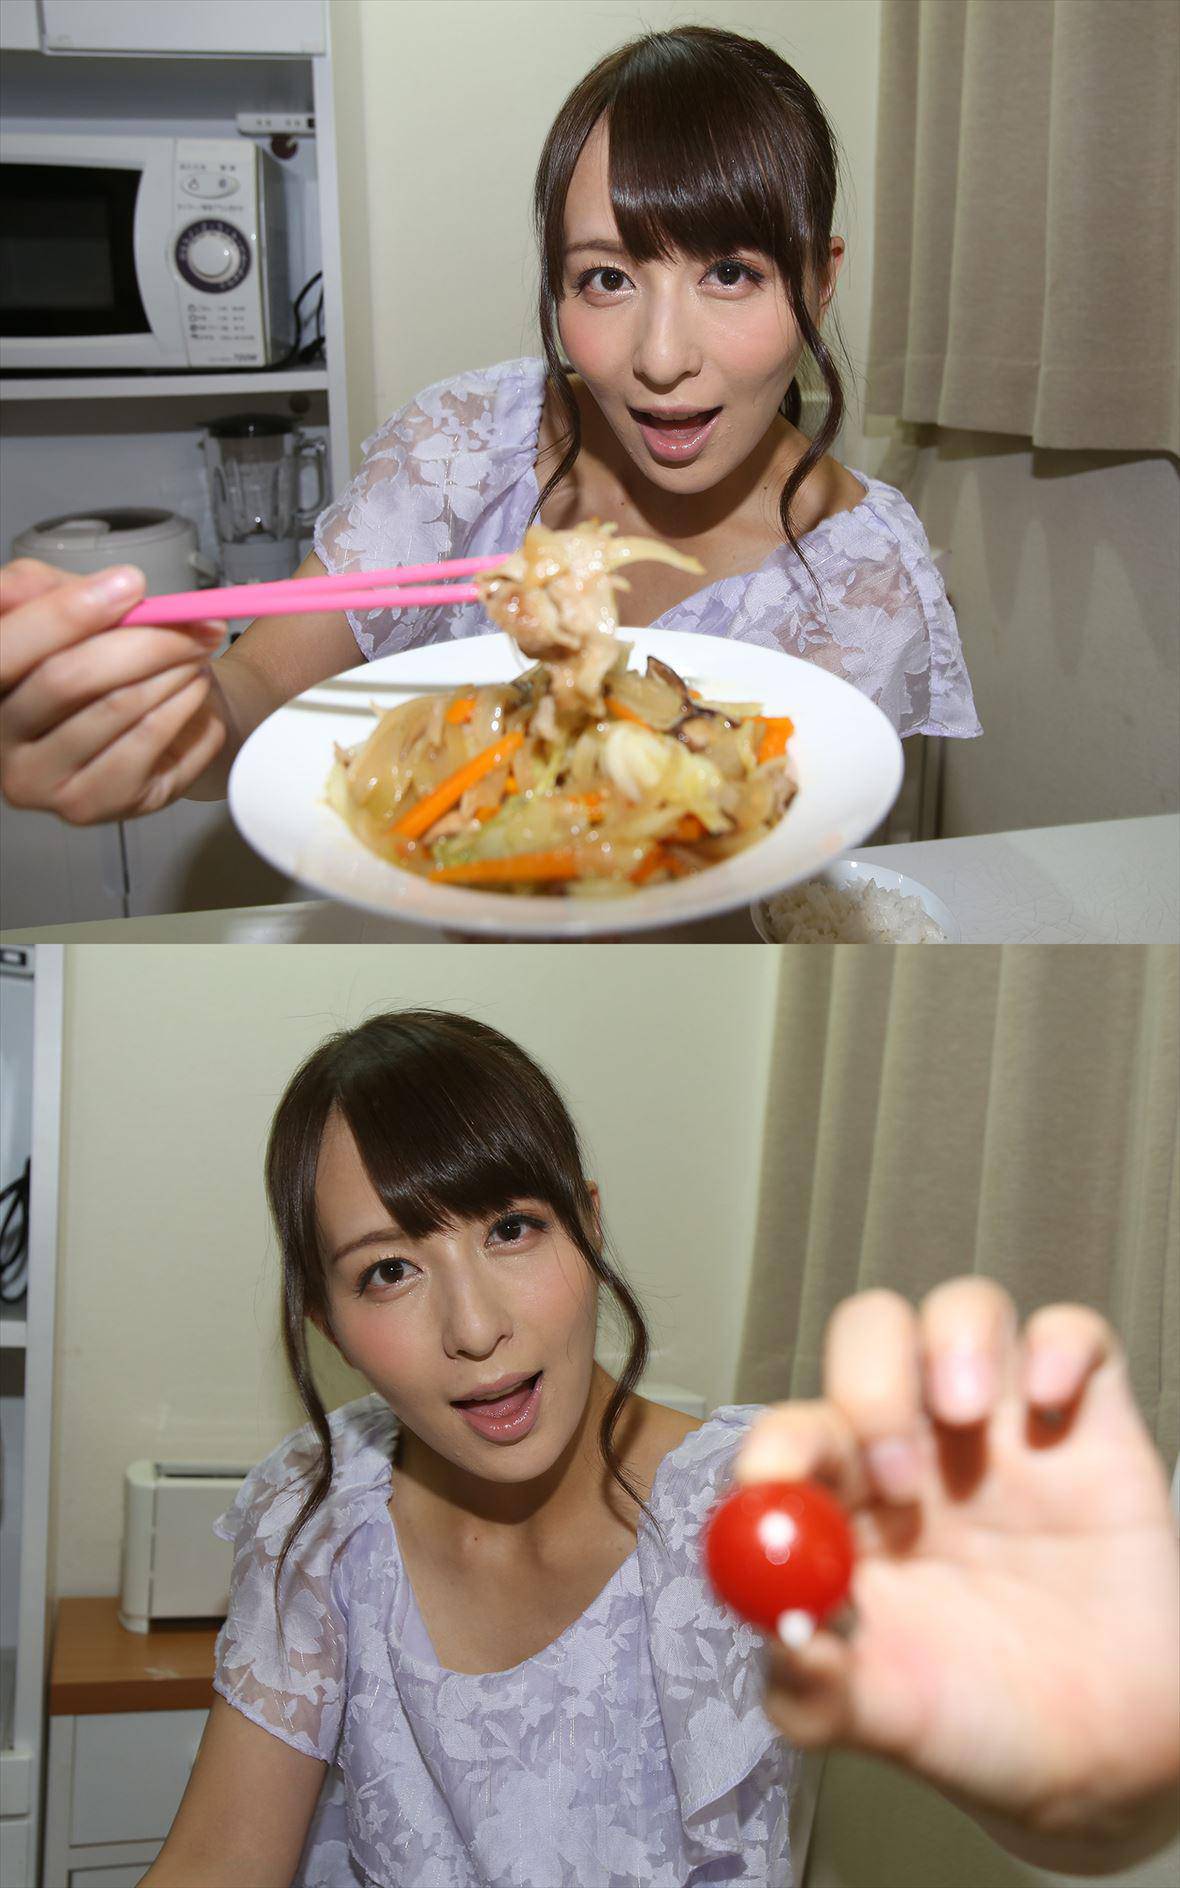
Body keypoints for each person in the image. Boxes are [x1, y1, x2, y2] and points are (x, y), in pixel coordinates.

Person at [139, 1008, 1178, 1888]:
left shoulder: (757, 1505)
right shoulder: (320, 1512)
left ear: (588, 1226)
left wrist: (1096, 1766)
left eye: (511, 1228)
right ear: (326, 1325)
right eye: (388, 1271)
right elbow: (218, 1860)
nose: (474, 1326)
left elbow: (1069, 1805)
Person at [0, 25, 979, 832]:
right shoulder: (468, 447)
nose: (661, 357)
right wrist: (171, 725)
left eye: (730, 273)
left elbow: (795, 882)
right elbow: (257, 684)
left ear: (818, 279)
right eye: (607, 277)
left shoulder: (865, 581)